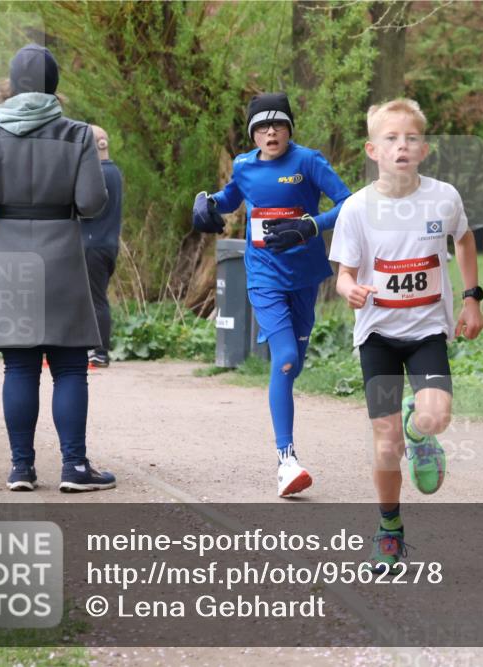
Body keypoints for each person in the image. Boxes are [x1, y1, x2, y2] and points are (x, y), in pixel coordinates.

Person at [329, 98, 483, 570]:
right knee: (384, 440)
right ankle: (389, 530)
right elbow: (343, 274)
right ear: (372, 149)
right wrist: (350, 289)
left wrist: (472, 296)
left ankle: (422, 435)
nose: (402, 146)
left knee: (435, 417)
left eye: (411, 138)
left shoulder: (443, 198)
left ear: (424, 148)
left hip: (426, 332)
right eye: (391, 138)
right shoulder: (357, 209)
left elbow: (464, 239)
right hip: (377, 334)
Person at [0, 44, 116, 493]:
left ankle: (21, 469)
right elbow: (90, 203)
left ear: (13, 83)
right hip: (62, 256)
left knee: (20, 368)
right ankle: (73, 467)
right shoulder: (78, 134)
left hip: (8, 253)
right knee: (69, 367)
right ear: (54, 84)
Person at [192, 92, 351, 497]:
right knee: (283, 361)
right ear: (253, 133)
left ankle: (285, 427)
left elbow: (350, 204)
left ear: (289, 128)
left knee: (294, 364)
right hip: (263, 276)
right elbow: (231, 198)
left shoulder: (308, 162)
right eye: (261, 126)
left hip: (306, 276)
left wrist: (311, 225)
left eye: (278, 124)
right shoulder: (244, 165)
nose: (270, 132)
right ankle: (287, 460)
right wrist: (210, 205)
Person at [81, 125, 123, 368]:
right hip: (108, 243)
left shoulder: (95, 175)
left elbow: (86, 207)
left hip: (92, 243)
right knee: (97, 297)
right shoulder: (114, 172)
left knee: (96, 299)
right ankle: (94, 348)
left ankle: (100, 351)